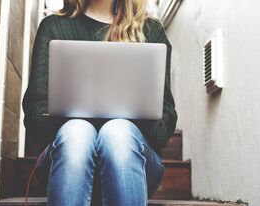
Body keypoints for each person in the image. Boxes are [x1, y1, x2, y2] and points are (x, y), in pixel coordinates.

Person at [22, 0, 177, 205]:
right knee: (78, 132)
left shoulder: (150, 30)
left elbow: (165, 115)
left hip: (132, 166)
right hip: (69, 162)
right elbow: (35, 111)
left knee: (117, 132)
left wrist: (117, 128)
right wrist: (81, 129)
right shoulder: (53, 26)